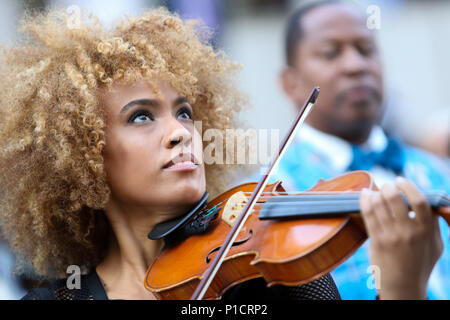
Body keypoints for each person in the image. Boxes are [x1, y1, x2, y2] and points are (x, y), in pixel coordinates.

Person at [0, 6, 442, 301]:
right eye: (140, 117)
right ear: (79, 155)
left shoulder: (271, 279)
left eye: (185, 112)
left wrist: (403, 289)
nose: (180, 132)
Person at [274, 0, 450, 299]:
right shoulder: (271, 195)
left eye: (366, 50)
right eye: (330, 53)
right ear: (290, 84)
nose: (355, 65)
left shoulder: (437, 170)